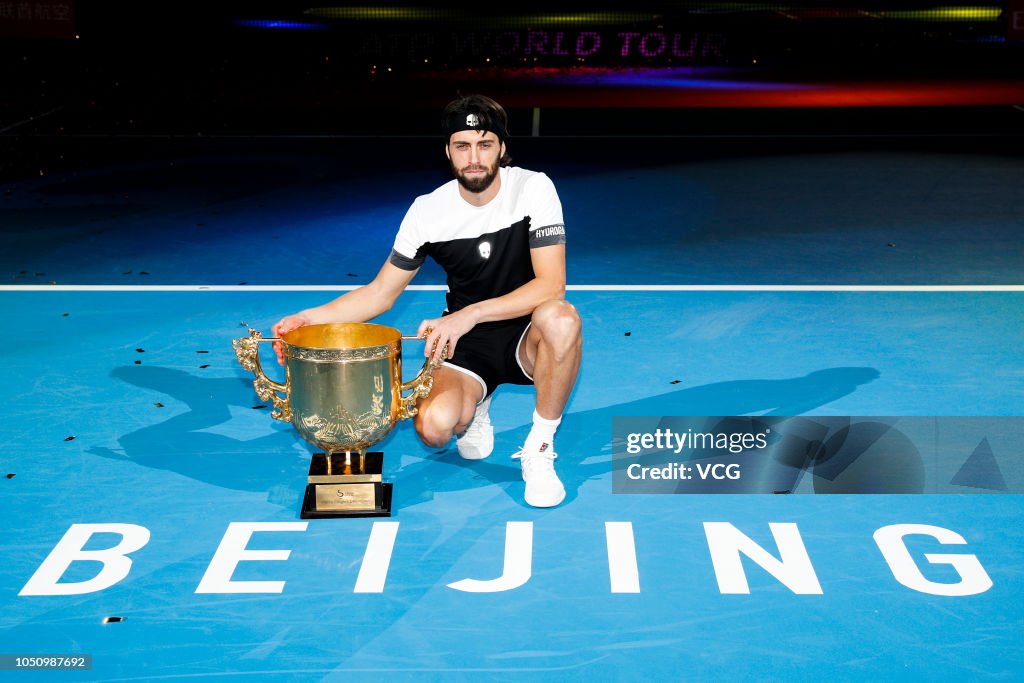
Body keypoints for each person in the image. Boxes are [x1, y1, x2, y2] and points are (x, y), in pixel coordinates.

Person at [272, 94, 582, 508]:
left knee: (561, 317)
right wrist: (305, 319)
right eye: (462, 146)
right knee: (435, 428)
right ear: (448, 151)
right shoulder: (427, 212)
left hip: (528, 333)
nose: (474, 157)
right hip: (467, 345)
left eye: (484, 144)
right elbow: (380, 293)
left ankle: (540, 449)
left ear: (502, 149)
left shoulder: (533, 187)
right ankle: (480, 399)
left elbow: (551, 286)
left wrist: (468, 315)